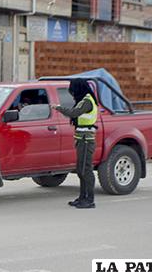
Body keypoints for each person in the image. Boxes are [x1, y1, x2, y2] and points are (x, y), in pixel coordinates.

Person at [51, 78, 98, 209]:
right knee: (80, 169)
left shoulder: (87, 101)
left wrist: (58, 108)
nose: (71, 92)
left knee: (85, 169)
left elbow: (74, 113)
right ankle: (82, 197)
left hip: (86, 140)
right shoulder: (83, 100)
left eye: (72, 89)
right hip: (81, 139)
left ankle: (90, 199)